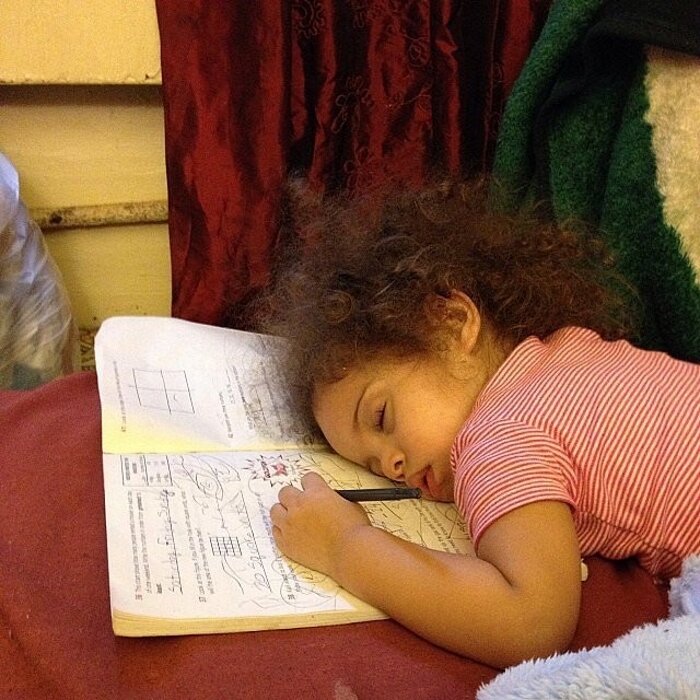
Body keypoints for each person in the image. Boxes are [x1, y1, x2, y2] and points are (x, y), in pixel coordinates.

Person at [260, 178, 700, 668]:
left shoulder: (499, 434)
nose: (392, 465)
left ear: (452, 322)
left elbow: (531, 621)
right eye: (373, 466)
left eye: (381, 417)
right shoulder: (566, 351)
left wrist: (346, 547)